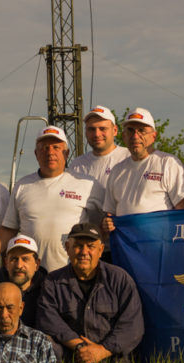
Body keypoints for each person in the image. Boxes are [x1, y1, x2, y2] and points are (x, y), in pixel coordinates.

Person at [0, 126, 104, 272]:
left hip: (72, 273)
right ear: (36, 154)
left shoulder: (88, 184)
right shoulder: (23, 185)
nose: (50, 152)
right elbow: (9, 228)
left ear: (66, 153)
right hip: (31, 275)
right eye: (44, 148)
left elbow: (103, 225)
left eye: (56, 147)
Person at [37, 223, 144, 363]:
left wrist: (100, 351)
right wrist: (82, 349)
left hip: (111, 357)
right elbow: (48, 321)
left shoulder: (120, 279)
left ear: (100, 250)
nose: (84, 252)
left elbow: (133, 327)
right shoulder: (52, 282)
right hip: (72, 356)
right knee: (46, 343)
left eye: (91, 246)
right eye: (78, 246)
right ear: (67, 248)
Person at [102, 107, 184, 233]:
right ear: (124, 136)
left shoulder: (168, 163)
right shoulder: (117, 170)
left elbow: (183, 211)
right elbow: (110, 213)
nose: (135, 136)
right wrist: (107, 224)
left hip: (160, 246)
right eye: (130, 130)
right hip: (127, 248)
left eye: (142, 131)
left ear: (154, 136)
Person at [69, 105, 130, 261]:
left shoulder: (128, 157)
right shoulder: (77, 164)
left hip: (125, 246)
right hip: (89, 250)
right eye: (91, 129)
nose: (97, 134)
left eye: (103, 128)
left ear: (115, 130)